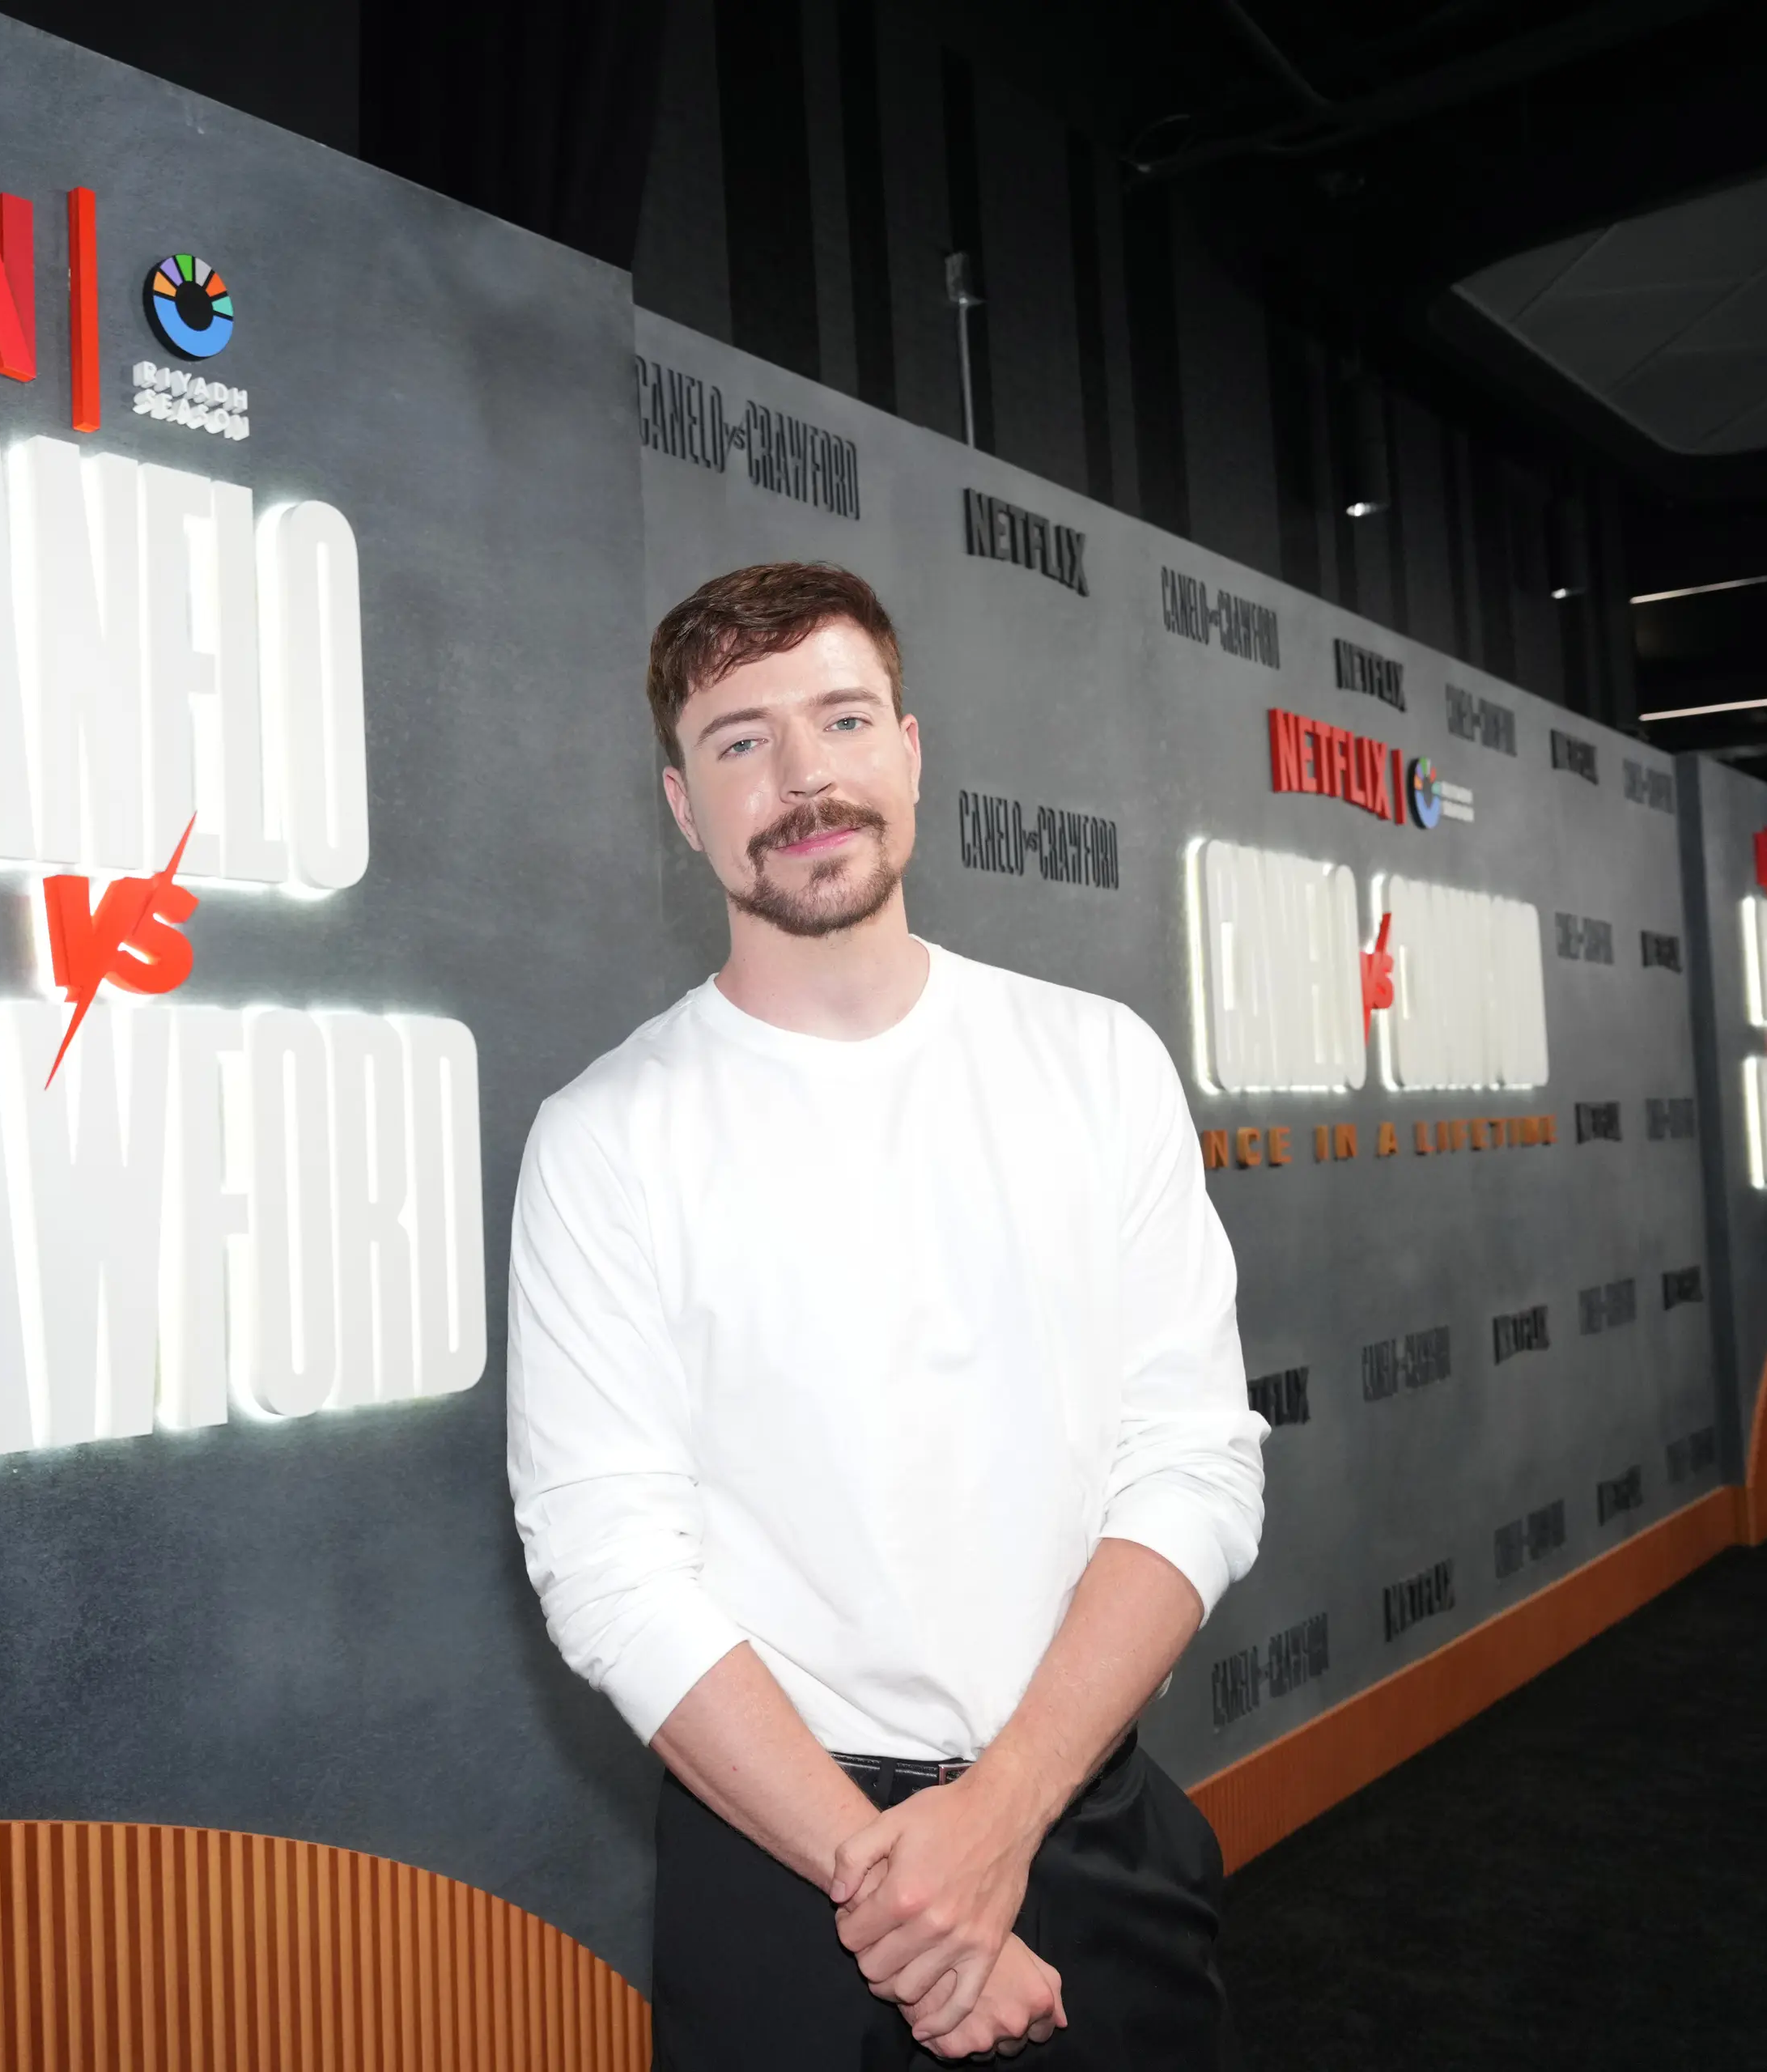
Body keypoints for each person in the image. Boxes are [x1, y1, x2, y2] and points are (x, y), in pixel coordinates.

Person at [507, 563, 1266, 2066]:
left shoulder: (1096, 1064)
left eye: (841, 718)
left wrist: (993, 1823)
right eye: (741, 741)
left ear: (909, 751)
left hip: (1085, 1826)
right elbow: (609, 1569)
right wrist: (907, 1896)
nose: (803, 778)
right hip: (782, 1867)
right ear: (682, 804)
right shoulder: (603, 1138)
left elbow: (1193, 1466)